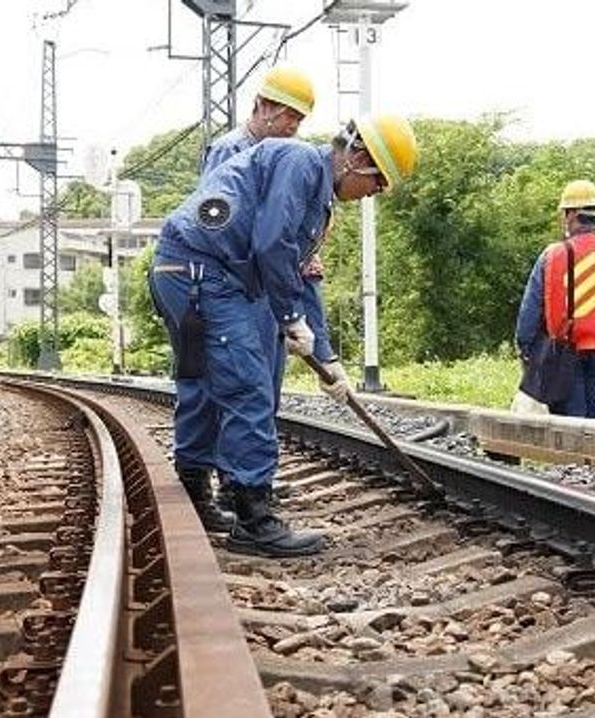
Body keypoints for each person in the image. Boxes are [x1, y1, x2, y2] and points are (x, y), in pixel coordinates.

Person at [150, 115, 418, 557]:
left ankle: (199, 493)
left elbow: (299, 273)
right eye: (378, 184)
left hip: (192, 271)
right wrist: (290, 317)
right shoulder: (299, 162)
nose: (374, 194)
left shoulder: (316, 196)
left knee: (217, 385)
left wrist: (327, 359)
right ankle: (254, 519)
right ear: (359, 160)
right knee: (248, 387)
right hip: (201, 272)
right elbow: (272, 245)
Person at [164, 65, 326, 534]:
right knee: (224, 381)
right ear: (262, 106)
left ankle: (238, 479)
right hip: (222, 279)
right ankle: (212, 483)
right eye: (287, 116)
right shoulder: (232, 150)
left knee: (252, 382)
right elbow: (224, 221)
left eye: (299, 120)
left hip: (250, 281)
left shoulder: (286, 157)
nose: (293, 127)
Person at [515, 179, 595, 420]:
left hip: (564, 353)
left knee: (569, 426)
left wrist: (526, 350)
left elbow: (530, 310)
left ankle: (572, 459)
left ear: (571, 215)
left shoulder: (552, 256)